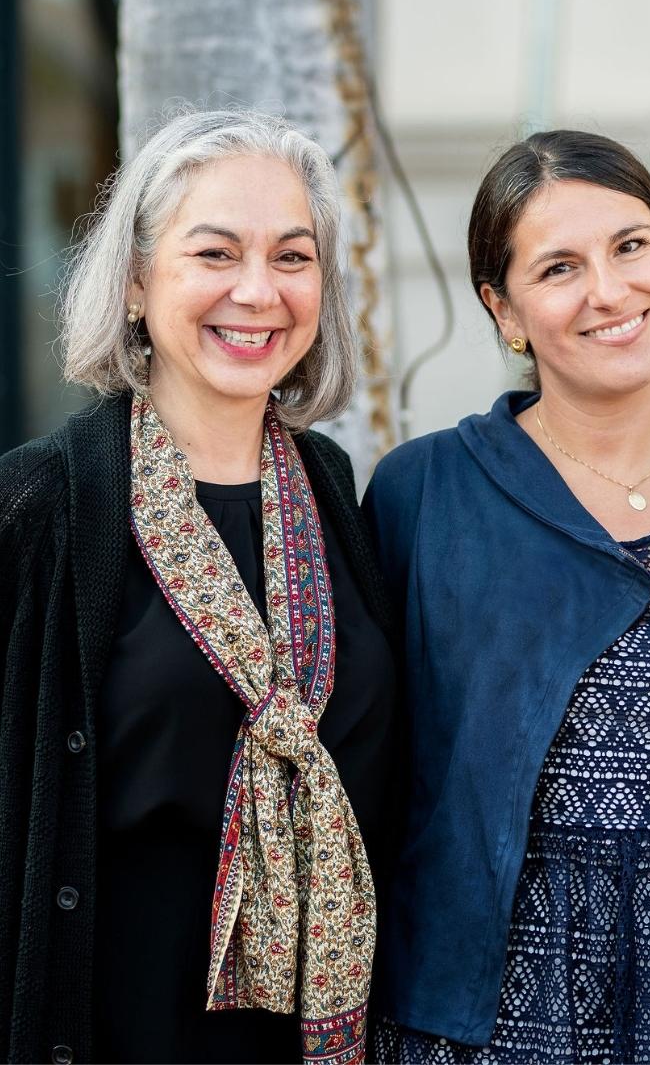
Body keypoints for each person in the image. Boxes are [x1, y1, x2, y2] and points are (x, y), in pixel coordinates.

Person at [362, 129, 650, 1064]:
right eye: (559, 268)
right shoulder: (424, 495)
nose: (609, 292)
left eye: (631, 246)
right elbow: (374, 778)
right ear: (504, 310)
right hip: (482, 1012)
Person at [0, 108, 395, 1065]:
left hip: (316, 1039)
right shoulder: (43, 507)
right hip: (113, 1031)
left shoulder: (334, 490)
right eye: (215, 253)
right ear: (137, 282)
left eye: (292, 258)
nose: (258, 291)